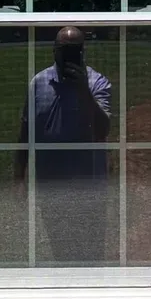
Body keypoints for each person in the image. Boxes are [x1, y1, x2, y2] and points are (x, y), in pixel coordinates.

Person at [14, 26, 112, 263]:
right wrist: (19, 177)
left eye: (74, 50)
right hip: (52, 181)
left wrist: (82, 91)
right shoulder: (38, 83)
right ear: (54, 51)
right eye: (64, 49)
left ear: (83, 51)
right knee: (60, 245)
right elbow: (26, 132)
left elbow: (102, 130)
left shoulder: (97, 83)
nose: (69, 55)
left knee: (91, 248)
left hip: (89, 182)